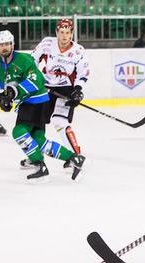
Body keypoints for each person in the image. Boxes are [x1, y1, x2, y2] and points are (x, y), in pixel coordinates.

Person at [0, 30, 86, 182]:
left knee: (19, 132)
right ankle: (74, 158)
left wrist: (13, 93)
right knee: (39, 140)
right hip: (26, 102)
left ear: (12, 44)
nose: (4, 47)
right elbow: (5, 86)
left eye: (7, 44)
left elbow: (37, 81)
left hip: (37, 100)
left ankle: (38, 164)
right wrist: (6, 100)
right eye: (1, 45)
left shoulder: (23, 59)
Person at [30, 18, 89, 170]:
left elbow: (83, 73)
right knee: (36, 122)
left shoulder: (78, 51)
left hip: (66, 89)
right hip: (45, 87)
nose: (64, 36)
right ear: (56, 32)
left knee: (59, 122)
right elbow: (32, 61)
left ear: (72, 34)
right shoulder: (47, 43)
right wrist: (35, 79)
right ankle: (35, 157)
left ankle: (76, 156)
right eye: (61, 32)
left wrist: (78, 90)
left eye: (67, 33)